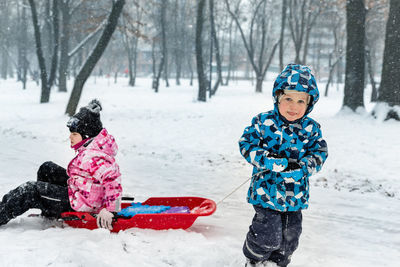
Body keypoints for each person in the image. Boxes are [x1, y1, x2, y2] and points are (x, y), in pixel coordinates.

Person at [239, 64, 328, 267]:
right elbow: (246, 144)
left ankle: (276, 263)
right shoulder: (263, 122)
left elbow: (320, 153)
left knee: (291, 237)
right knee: (268, 234)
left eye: (300, 101)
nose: (293, 106)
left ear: (309, 103)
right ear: (277, 97)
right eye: (288, 98)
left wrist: (304, 167)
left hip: (294, 195)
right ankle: (253, 258)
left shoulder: (311, 129)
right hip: (265, 192)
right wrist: (267, 159)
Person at [0, 99, 122, 230]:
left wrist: (110, 210)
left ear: (87, 135)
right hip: (81, 191)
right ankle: (50, 213)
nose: (70, 137)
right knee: (47, 168)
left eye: (74, 134)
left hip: (82, 203)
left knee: (30, 190)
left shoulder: (95, 157)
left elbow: (113, 180)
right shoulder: (93, 146)